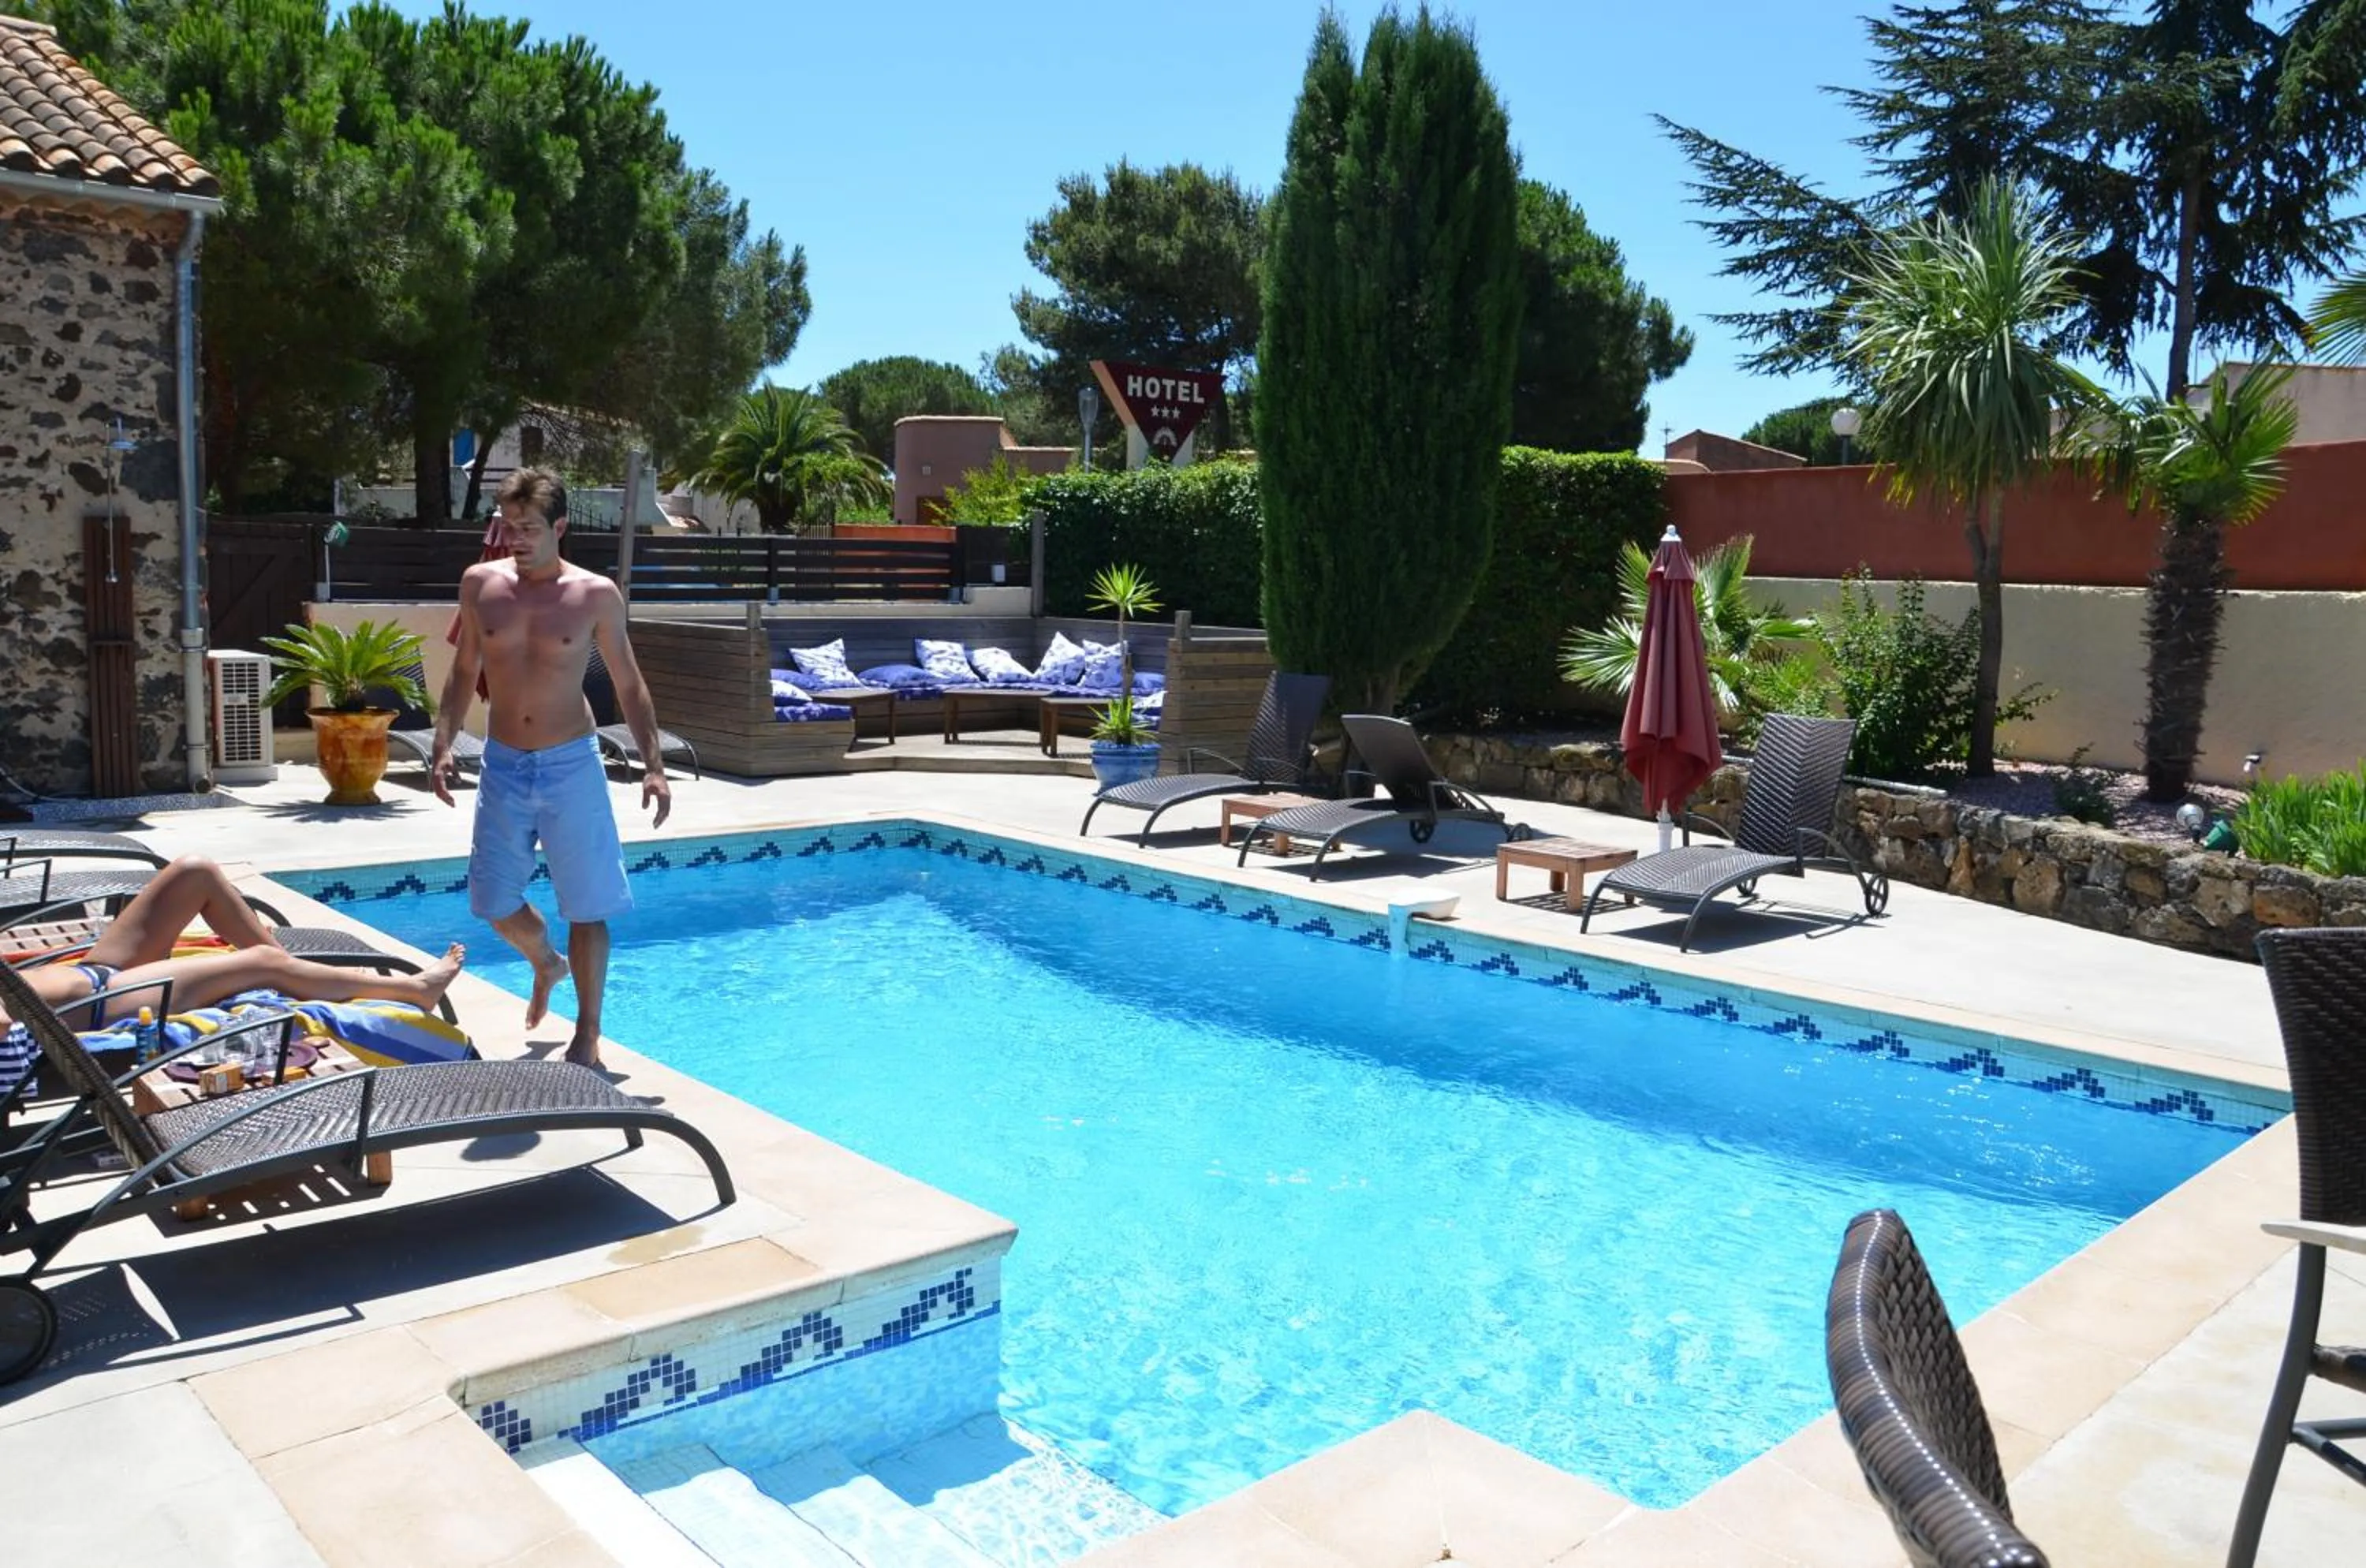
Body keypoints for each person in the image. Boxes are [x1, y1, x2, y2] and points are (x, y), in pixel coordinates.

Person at [431, 468, 670, 1069]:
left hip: (570, 765)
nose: (516, 538)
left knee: (588, 906)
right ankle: (545, 961)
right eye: (507, 525)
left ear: (560, 527)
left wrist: (654, 765)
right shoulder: (480, 585)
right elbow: (463, 674)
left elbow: (629, 682)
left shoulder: (594, 594)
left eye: (529, 527)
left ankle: (587, 1034)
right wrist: (442, 744)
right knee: (490, 899)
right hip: (505, 763)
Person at [2, 856, 465, 1096]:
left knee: (194, 872)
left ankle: (292, 976)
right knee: (261, 963)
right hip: (103, 1006)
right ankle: (411, 989)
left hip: (93, 973)